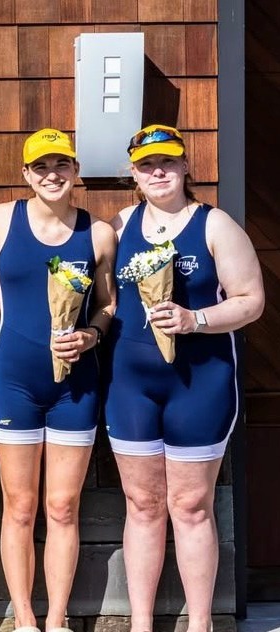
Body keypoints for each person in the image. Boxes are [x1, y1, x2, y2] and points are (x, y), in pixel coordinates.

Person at [105, 125, 263, 632]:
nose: (158, 172)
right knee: (143, 504)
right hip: (131, 384)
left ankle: (200, 624)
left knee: (191, 504)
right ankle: (141, 623)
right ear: (133, 173)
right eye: (147, 164)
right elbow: (105, 302)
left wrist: (196, 320)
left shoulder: (214, 224)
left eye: (168, 162)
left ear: (185, 167)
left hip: (200, 383)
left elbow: (251, 301)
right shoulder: (121, 223)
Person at [0, 129, 116, 632]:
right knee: (19, 507)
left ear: (75, 170)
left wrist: (90, 334)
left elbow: (107, 305)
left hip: (75, 386)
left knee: (62, 506)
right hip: (14, 379)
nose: (52, 175)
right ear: (26, 175)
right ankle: (24, 620)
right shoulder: (0, 220)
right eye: (41, 167)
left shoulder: (98, 233)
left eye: (61, 165)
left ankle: (57, 619)